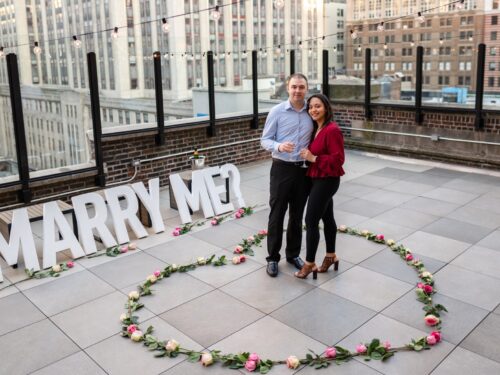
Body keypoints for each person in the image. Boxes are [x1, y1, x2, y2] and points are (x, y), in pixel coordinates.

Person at [261, 73, 314, 277]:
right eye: (294, 87)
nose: (297, 91)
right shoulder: (277, 111)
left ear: (306, 89)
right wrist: (279, 146)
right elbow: (265, 140)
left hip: (303, 171)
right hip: (281, 168)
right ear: (288, 88)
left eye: (301, 87)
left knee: (297, 215)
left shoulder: (311, 112)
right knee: (277, 213)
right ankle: (273, 258)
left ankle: (292, 255)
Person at [295, 93, 345, 279]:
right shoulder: (318, 128)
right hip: (317, 178)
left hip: (327, 180)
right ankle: (331, 256)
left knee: (310, 220)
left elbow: (339, 159)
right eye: (311, 107)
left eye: (317, 106)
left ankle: (309, 264)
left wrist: (313, 158)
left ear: (326, 108)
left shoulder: (332, 130)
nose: (313, 110)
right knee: (328, 217)